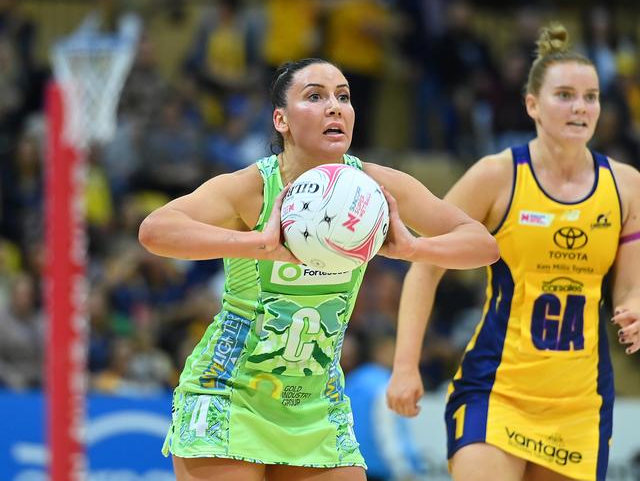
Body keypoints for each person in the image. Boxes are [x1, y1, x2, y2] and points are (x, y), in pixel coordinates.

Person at [138, 57, 499, 481]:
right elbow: (155, 230)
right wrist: (256, 244)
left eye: (343, 97)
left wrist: (413, 248)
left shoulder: (376, 188)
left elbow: (483, 245)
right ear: (281, 120)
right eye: (315, 96)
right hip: (229, 393)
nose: (335, 107)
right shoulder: (252, 187)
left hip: (314, 402)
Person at [386, 23, 640, 481]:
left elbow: (632, 285)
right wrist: (405, 365)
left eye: (591, 97)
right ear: (532, 104)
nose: (580, 107)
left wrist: (636, 310)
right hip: (497, 387)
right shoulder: (496, 175)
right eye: (565, 95)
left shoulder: (626, 186)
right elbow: (425, 266)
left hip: (580, 400)